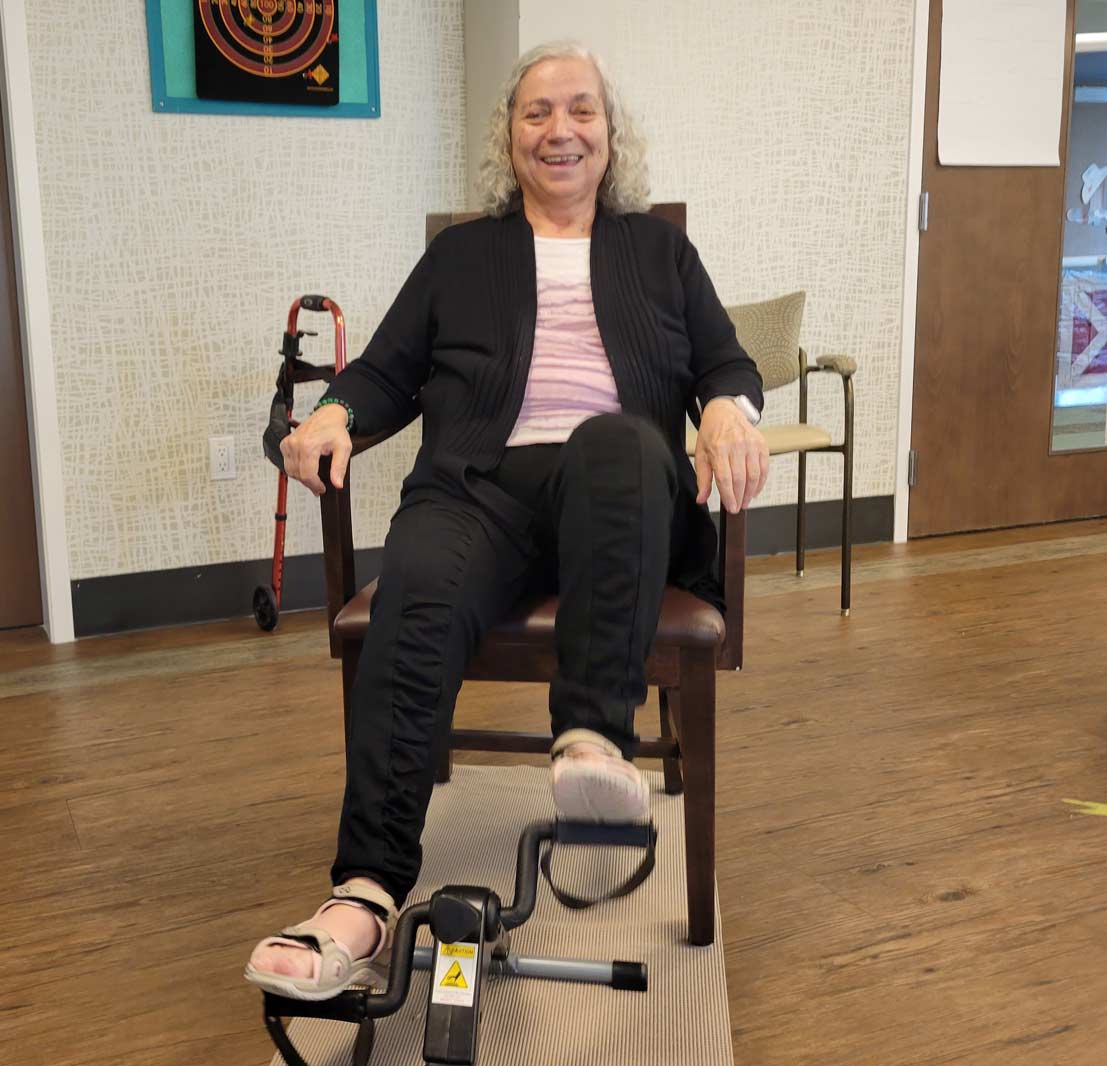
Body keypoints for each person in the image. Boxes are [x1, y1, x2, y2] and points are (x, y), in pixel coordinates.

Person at [245, 40, 770, 1001]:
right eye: (536, 113)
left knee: (614, 440)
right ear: (511, 137)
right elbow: (384, 374)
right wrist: (335, 414)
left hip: (616, 486)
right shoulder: (462, 255)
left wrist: (733, 406)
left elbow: (726, 365)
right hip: (477, 485)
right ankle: (363, 896)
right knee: (419, 584)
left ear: (611, 135)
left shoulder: (659, 251)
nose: (559, 131)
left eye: (580, 110)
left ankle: (590, 743)